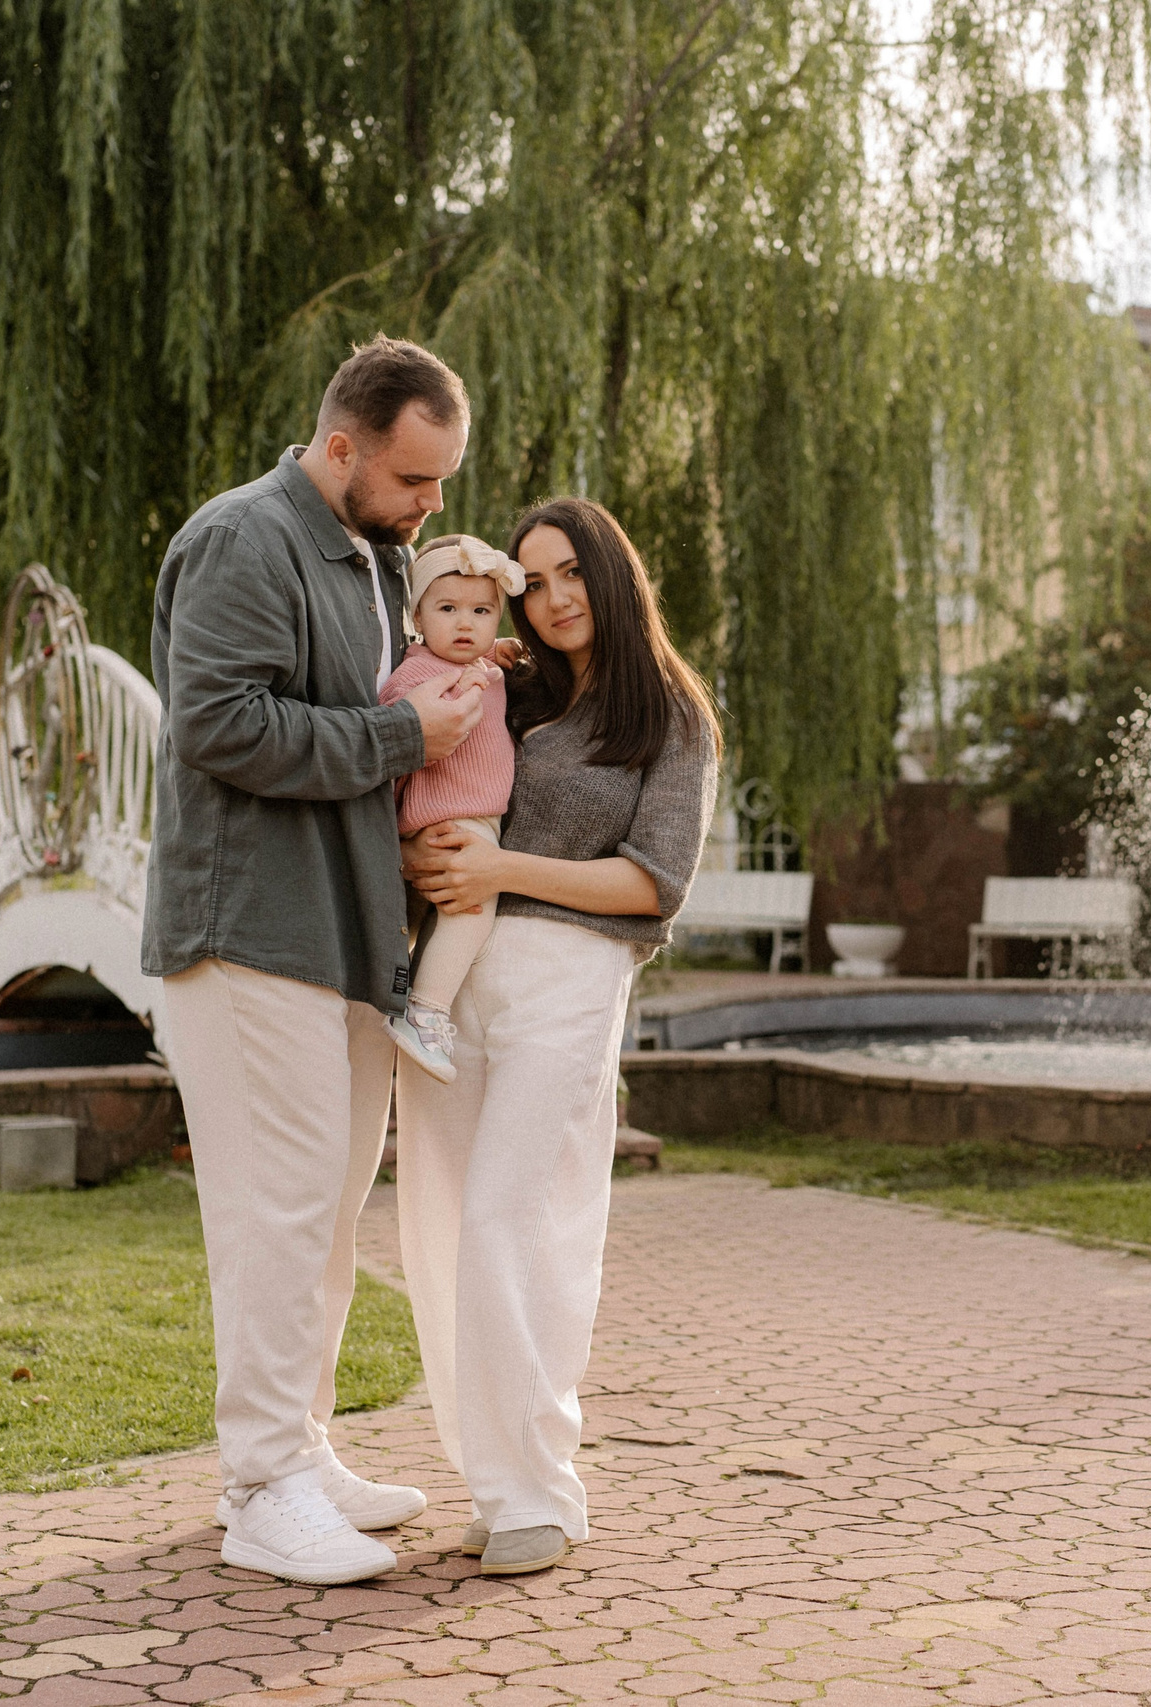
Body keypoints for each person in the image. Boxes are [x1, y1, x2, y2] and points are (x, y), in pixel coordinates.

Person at [141, 335, 489, 1587]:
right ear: (341, 445)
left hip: (340, 940)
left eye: (442, 483)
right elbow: (219, 722)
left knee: (328, 1217)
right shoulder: (246, 538)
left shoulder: (373, 559)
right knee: (275, 1215)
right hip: (249, 936)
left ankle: (301, 1448)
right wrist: (400, 734)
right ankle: (260, 1490)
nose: (431, 508)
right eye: (413, 480)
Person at [395, 495, 719, 1577]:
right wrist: (430, 862)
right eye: (532, 579)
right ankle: (493, 1477)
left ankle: (542, 1485)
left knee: (514, 1222)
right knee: (442, 1228)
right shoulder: (504, 690)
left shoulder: (670, 717)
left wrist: (499, 872)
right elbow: (436, 796)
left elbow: (651, 885)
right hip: (455, 975)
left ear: (613, 575)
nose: (555, 596)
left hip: (570, 980)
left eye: (572, 570)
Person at [379, 536, 525, 1081]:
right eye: (448, 610)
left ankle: (404, 1001)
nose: (465, 624)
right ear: (417, 614)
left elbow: (484, 654)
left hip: (468, 817)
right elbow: (395, 720)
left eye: (482, 612)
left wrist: (496, 649)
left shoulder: (478, 658)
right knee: (471, 914)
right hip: (453, 820)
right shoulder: (419, 677)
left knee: (430, 920)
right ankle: (426, 1011)